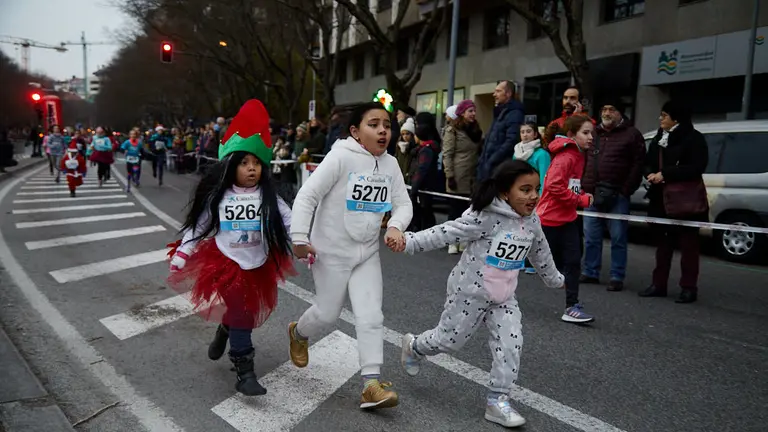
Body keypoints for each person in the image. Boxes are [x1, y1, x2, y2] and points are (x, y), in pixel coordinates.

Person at [395, 159, 564, 428]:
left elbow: (541, 252)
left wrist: (555, 280)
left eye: (536, 188)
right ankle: (415, 346)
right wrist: (409, 241)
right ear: (505, 193)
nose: (533, 196)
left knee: (511, 344)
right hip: (469, 293)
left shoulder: (532, 222)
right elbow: (446, 232)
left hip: (504, 298)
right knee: (448, 342)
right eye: (525, 189)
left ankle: (498, 401)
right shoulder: (485, 217)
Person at [287, 102, 412, 410]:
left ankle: (371, 384)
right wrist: (300, 238)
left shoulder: (391, 164)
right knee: (328, 314)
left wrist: (395, 226)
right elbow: (307, 195)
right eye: (373, 124)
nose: (383, 130)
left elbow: (404, 204)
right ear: (356, 131)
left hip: (367, 251)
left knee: (371, 315)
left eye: (386, 124)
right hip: (330, 250)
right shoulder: (341, 156)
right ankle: (299, 332)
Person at [167, 99, 294, 395]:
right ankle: (245, 372)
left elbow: (291, 222)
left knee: (240, 314)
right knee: (243, 312)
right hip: (226, 262)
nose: (251, 170)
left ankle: (225, 329)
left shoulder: (269, 197)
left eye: (256, 164)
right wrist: (184, 252)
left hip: (257, 262)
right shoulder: (218, 197)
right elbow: (199, 226)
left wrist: (305, 244)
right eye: (244, 163)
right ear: (230, 165)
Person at [639, 101, 708, 304]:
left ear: (676, 118)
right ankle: (658, 284)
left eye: (664, 115)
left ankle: (688, 287)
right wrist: (650, 173)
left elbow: (697, 167)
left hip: (685, 200)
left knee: (689, 246)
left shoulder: (694, 139)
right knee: (663, 245)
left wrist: (666, 174)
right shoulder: (660, 137)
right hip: (661, 199)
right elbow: (648, 161)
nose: (660, 119)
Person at [580, 104, 646, 291]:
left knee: (618, 238)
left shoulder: (632, 135)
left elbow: (638, 165)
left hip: (618, 195)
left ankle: (617, 276)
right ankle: (591, 271)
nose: (607, 113)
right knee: (591, 237)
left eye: (612, 110)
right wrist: (585, 187)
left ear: (620, 113)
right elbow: (584, 158)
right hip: (591, 194)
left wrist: (626, 190)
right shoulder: (593, 133)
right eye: (604, 110)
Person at [536, 115, 595, 323]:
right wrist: (580, 199)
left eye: (591, 133)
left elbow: (570, 185)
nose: (590, 137)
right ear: (572, 135)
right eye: (585, 133)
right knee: (523, 259)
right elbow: (553, 186)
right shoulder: (567, 157)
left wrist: (579, 196)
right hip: (549, 219)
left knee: (573, 260)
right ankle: (492, 290)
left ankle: (571, 306)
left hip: (567, 218)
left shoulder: (578, 155)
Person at [443, 99, 482, 254]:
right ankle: (452, 241)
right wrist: (450, 175)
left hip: (472, 175)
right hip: (458, 175)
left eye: (474, 110)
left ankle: (464, 240)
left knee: (468, 210)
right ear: (462, 113)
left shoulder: (476, 130)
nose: (473, 114)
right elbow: (447, 154)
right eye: (469, 111)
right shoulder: (452, 130)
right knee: (455, 210)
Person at [513, 122, 551, 274]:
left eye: (529, 131)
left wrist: (539, 198)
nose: (525, 134)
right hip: (518, 195)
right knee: (518, 229)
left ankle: (534, 262)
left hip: (534, 196)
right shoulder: (516, 152)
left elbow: (545, 178)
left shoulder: (542, 154)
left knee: (534, 231)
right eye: (522, 132)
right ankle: (519, 259)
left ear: (536, 134)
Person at [476, 80, 524, 182]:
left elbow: (511, 141)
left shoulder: (514, 113)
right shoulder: (500, 112)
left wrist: (492, 160)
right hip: (489, 167)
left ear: (508, 94)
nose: (494, 94)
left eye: (498, 91)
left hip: (498, 168)